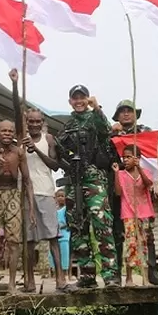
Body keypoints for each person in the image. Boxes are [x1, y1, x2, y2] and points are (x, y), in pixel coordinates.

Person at [56, 84, 119, 290]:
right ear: (70, 102)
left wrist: (97, 107)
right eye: (75, 98)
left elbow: (106, 130)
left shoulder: (95, 118)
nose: (79, 101)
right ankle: (87, 274)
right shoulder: (67, 126)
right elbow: (60, 151)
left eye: (82, 97)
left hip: (94, 178)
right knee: (77, 226)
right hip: (73, 180)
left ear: (87, 99)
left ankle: (110, 275)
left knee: (102, 224)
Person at [8, 69, 66, 292]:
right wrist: (15, 84)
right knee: (29, 240)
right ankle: (30, 281)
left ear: (42, 123)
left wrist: (36, 150)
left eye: (37, 122)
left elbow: (55, 165)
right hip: (25, 193)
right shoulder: (20, 136)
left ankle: (60, 278)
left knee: (53, 237)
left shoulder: (48, 139)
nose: (33, 124)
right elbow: (16, 110)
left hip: (46, 192)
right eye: (30, 121)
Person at [110, 99, 158, 285]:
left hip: (142, 189)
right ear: (117, 116)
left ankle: (152, 272)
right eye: (122, 111)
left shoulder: (145, 132)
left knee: (148, 236)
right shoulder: (112, 134)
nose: (126, 114)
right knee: (120, 234)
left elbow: (156, 152)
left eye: (129, 110)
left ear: (135, 114)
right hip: (120, 187)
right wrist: (112, 135)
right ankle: (119, 273)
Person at [0, 120, 34, 296]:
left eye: (10, 131)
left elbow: (27, 180)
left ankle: (11, 285)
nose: (7, 134)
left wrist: (31, 208)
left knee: (14, 242)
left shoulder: (19, 152)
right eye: (4, 131)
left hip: (12, 194)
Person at [112, 144, 155, 287]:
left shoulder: (146, 172)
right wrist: (116, 173)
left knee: (144, 244)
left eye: (129, 157)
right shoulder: (122, 174)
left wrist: (139, 168)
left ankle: (145, 278)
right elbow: (118, 192)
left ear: (137, 158)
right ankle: (129, 278)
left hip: (144, 213)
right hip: (128, 213)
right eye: (124, 157)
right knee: (131, 244)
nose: (125, 160)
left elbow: (148, 184)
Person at [49, 189, 71, 281]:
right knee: (52, 254)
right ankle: (56, 274)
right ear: (55, 198)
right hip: (54, 235)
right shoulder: (53, 209)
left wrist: (62, 225)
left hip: (65, 235)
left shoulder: (66, 209)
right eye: (59, 196)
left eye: (62, 196)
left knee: (65, 254)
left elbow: (69, 222)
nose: (61, 198)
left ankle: (65, 274)